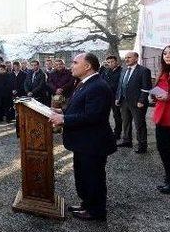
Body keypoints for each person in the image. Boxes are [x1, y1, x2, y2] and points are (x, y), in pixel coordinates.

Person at [50, 53, 115, 221]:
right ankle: (87, 203)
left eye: (75, 62)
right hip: (83, 142)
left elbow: (93, 116)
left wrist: (64, 119)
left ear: (87, 66)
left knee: (93, 177)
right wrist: (62, 112)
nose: (72, 66)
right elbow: (79, 108)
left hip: (93, 142)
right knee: (83, 175)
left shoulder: (98, 86)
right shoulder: (85, 83)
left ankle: (96, 211)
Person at [116, 51, 152, 154]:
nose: (126, 59)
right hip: (124, 101)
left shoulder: (144, 71)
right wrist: (118, 97)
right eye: (126, 57)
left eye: (129, 57)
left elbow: (146, 88)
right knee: (126, 122)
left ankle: (142, 145)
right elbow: (120, 85)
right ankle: (127, 141)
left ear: (136, 58)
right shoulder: (123, 70)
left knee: (139, 124)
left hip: (137, 103)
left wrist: (141, 100)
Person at [152, 46, 170, 194]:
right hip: (161, 117)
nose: (167, 55)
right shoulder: (163, 72)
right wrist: (154, 94)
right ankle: (168, 178)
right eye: (165, 53)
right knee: (163, 150)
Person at [100, 55, 123, 140]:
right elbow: (100, 79)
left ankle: (117, 133)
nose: (110, 64)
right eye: (108, 62)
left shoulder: (121, 71)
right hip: (106, 97)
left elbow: (121, 85)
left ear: (116, 62)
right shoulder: (106, 71)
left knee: (117, 116)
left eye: (112, 62)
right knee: (104, 115)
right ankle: (105, 131)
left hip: (115, 96)